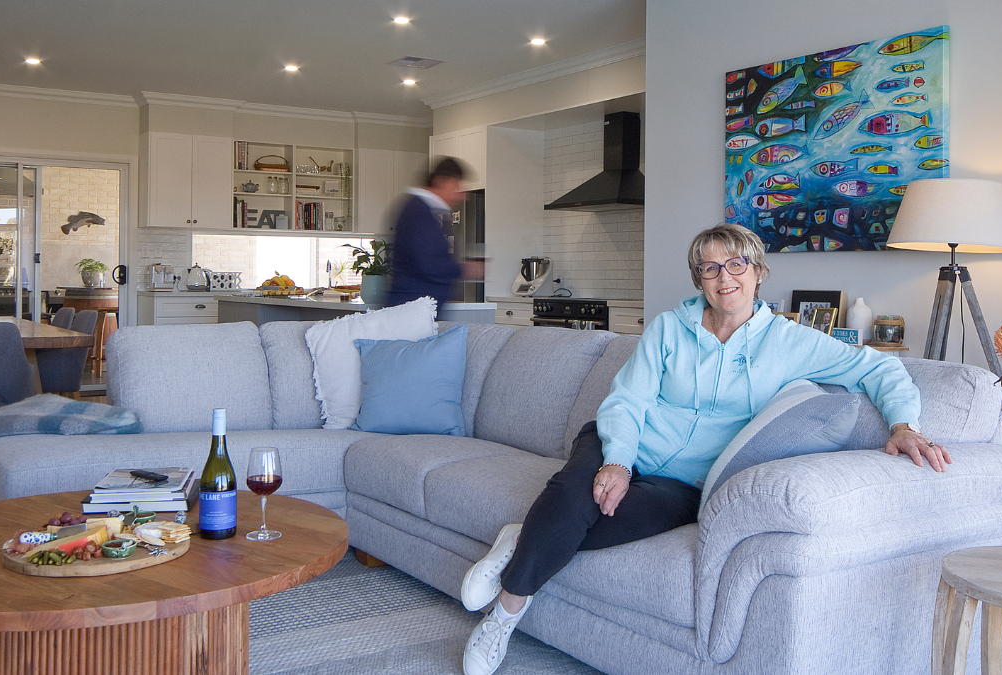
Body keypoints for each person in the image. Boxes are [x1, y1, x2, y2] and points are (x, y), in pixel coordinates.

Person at [459, 223, 951, 675]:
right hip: (618, 444)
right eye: (711, 268)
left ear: (758, 273)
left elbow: (878, 368)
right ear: (699, 279)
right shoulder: (669, 329)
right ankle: (505, 614)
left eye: (737, 264)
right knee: (575, 496)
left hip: (685, 484)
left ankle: (519, 540)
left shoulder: (790, 341)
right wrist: (617, 462)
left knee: (595, 519)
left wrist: (904, 425)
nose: (725, 277)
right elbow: (628, 399)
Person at [386, 157, 483, 306]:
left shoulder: (423, 210)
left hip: (416, 311)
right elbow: (427, 264)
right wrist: (464, 269)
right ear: (440, 181)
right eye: (457, 187)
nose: (463, 196)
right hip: (411, 313)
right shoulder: (418, 212)